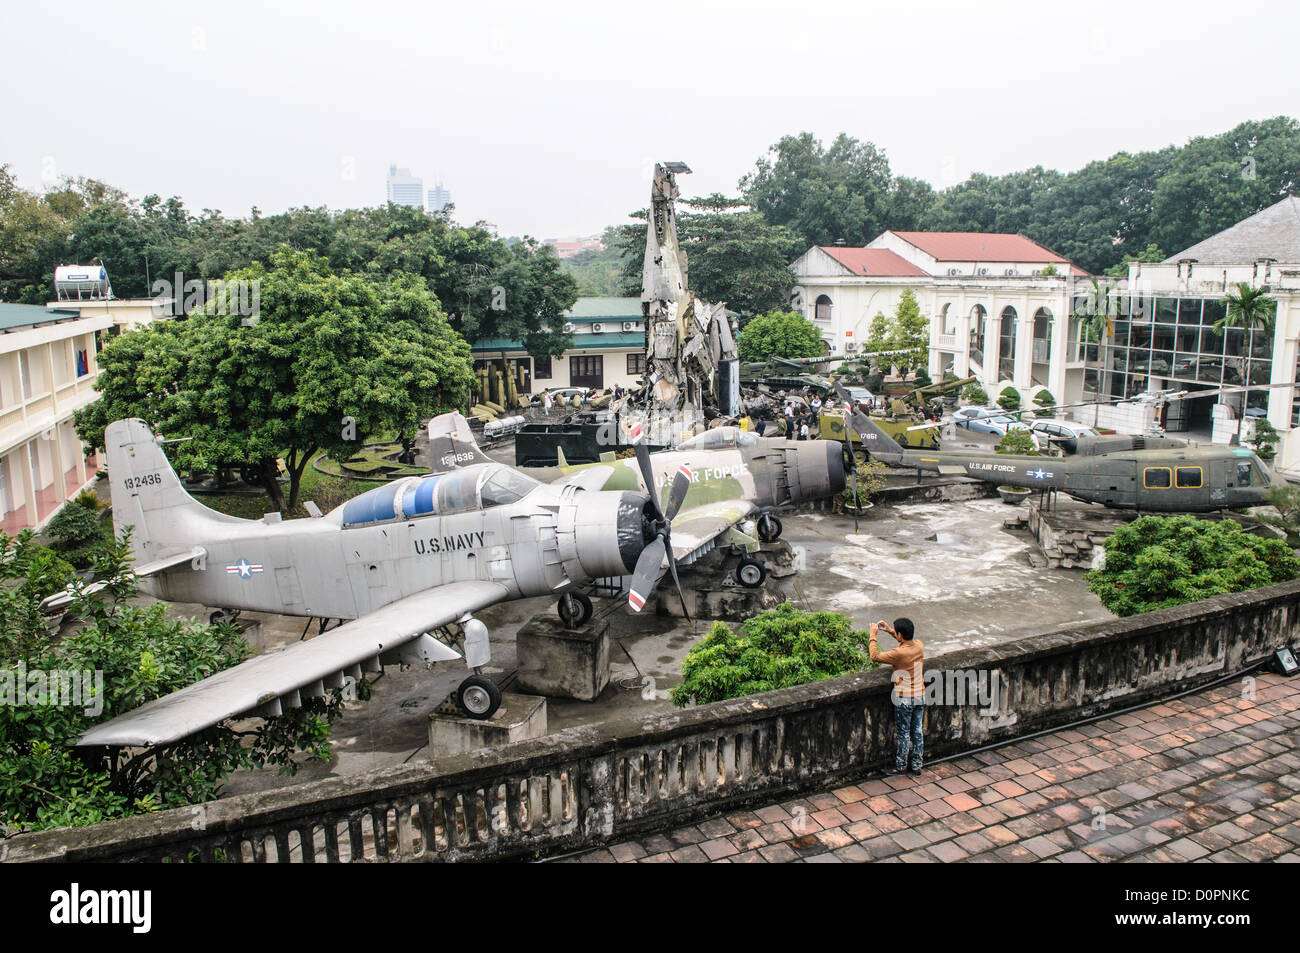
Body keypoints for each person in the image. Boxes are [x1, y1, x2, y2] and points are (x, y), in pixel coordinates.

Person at [869, 618, 924, 775]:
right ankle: (916, 765)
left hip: (904, 697)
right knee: (917, 731)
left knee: (904, 733)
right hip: (920, 694)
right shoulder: (919, 646)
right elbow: (905, 640)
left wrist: (873, 635)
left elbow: (875, 656)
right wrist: (890, 631)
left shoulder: (898, 653)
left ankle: (901, 766)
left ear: (900, 635)